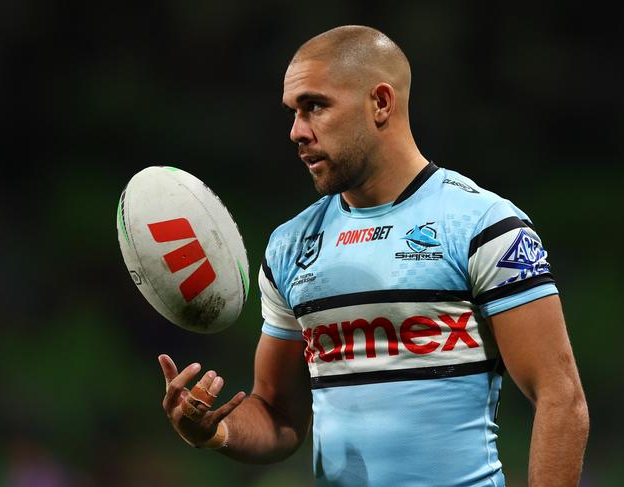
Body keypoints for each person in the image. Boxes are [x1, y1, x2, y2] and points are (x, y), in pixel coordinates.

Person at [158, 25, 589, 486]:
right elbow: (280, 418)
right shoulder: (289, 246)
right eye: (293, 112)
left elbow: (560, 399)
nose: (296, 132)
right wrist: (214, 431)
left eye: (315, 106)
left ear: (381, 103)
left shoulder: (482, 226)